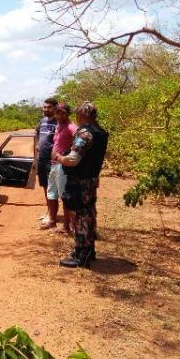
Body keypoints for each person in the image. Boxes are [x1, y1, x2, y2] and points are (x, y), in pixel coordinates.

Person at [55, 102, 109, 268]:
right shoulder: (101, 132)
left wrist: (59, 158)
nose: (76, 119)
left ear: (82, 116)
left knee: (81, 216)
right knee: (90, 213)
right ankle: (89, 250)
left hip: (80, 182)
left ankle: (81, 255)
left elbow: (72, 160)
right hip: (92, 180)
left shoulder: (85, 134)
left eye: (78, 115)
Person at [40, 102, 77, 232]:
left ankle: (66, 226)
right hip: (54, 165)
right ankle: (52, 221)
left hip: (63, 166)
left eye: (62, 112)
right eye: (57, 112)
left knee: (64, 196)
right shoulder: (58, 126)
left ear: (67, 114)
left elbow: (80, 139)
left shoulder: (71, 127)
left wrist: (71, 154)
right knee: (51, 194)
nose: (59, 115)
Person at [35, 98, 58, 223]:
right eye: (44, 107)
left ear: (55, 108)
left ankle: (52, 216)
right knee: (45, 186)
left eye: (49, 107)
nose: (45, 109)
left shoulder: (58, 122)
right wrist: (38, 144)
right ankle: (49, 212)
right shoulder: (42, 121)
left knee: (52, 188)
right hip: (42, 159)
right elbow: (37, 132)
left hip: (53, 160)